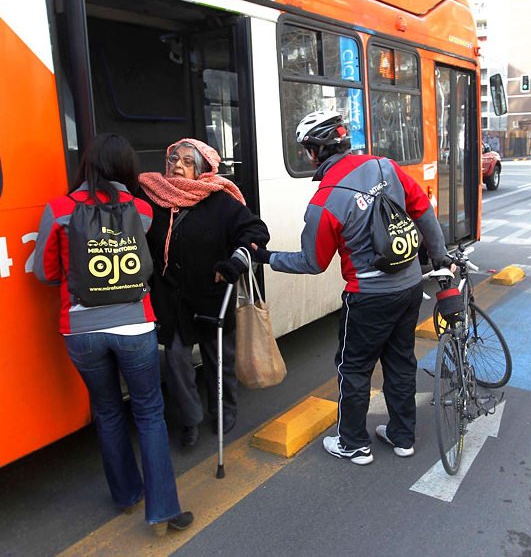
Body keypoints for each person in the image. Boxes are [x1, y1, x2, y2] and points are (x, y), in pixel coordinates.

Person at [251, 111, 452, 465]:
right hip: (408, 288)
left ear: (315, 151)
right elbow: (423, 210)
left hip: (368, 297)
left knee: (354, 368)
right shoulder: (385, 166)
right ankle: (402, 437)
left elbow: (311, 262)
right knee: (401, 362)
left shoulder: (325, 201)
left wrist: (266, 257)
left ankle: (353, 443)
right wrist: (439, 258)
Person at [33, 133, 192, 536]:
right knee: (150, 414)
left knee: (106, 411)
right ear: (126, 168)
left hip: (81, 331)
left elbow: (45, 273)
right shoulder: (141, 210)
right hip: (135, 325)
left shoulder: (58, 210)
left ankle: (125, 495)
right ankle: (164, 509)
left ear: (86, 166)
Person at [139, 138, 269, 447]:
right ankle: (190, 419)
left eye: (186, 161)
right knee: (176, 360)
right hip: (171, 297)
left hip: (212, 293)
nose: (177, 166)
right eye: (173, 159)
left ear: (202, 170)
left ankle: (224, 410)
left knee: (219, 358)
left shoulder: (220, 200)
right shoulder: (152, 197)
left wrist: (235, 260)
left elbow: (255, 232)